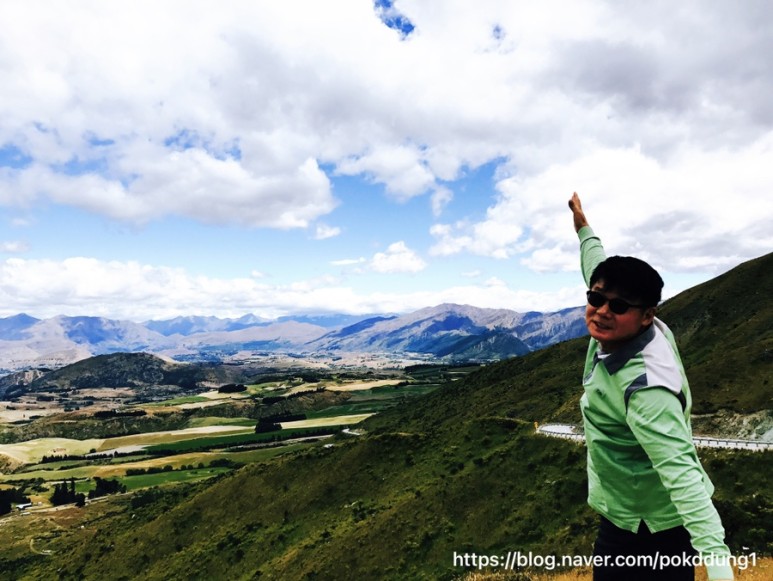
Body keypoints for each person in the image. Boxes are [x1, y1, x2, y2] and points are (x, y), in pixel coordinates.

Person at [568, 192, 734, 581]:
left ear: (646, 316)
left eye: (618, 306)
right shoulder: (622, 329)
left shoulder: (647, 391)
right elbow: (595, 265)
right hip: (623, 513)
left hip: (654, 529)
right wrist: (583, 228)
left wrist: (719, 567)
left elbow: (682, 475)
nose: (602, 311)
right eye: (596, 298)